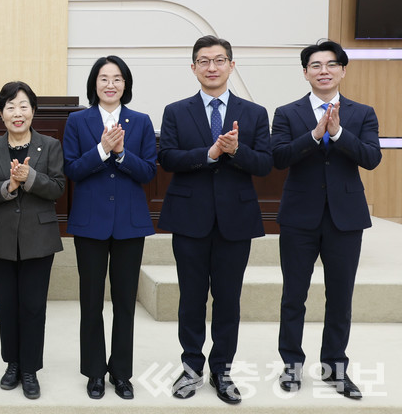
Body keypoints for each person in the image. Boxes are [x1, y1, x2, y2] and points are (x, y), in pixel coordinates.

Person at [157, 35, 272, 404]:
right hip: (189, 219)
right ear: (193, 68)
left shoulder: (254, 113)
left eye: (219, 60)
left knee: (227, 300)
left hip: (235, 221)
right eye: (204, 61)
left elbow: (265, 164)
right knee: (191, 299)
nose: (212, 67)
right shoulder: (176, 111)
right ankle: (191, 367)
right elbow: (167, 158)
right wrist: (207, 154)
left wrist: (236, 151)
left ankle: (222, 369)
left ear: (231, 65)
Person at [271, 40, 381, 400]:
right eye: (316, 65)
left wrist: (338, 133)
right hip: (299, 218)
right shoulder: (287, 113)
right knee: (294, 296)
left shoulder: (362, 113)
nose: (324, 71)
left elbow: (371, 158)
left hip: (345, 219)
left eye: (331, 64)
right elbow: (279, 158)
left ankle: (335, 367)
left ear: (342, 71)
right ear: (305, 73)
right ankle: (291, 365)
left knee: (340, 297)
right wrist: (315, 134)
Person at [62, 56, 156, 400]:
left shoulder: (141, 121)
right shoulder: (77, 121)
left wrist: (121, 153)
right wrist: (103, 149)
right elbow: (72, 170)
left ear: (125, 84)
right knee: (91, 301)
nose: (110, 84)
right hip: (90, 224)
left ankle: (121, 373)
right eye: (104, 78)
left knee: (125, 303)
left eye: (117, 78)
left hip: (129, 224)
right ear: (94, 84)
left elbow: (148, 172)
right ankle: (94, 372)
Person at [0, 81, 64, 400]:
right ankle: (12, 364)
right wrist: (9, 187)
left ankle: (30, 369)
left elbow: (58, 188)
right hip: (1, 238)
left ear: (33, 111)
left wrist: (30, 179)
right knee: (8, 305)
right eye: (10, 107)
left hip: (39, 239)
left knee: (33, 306)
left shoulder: (50, 145)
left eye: (23, 106)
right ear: (1, 113)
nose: (18, 113)